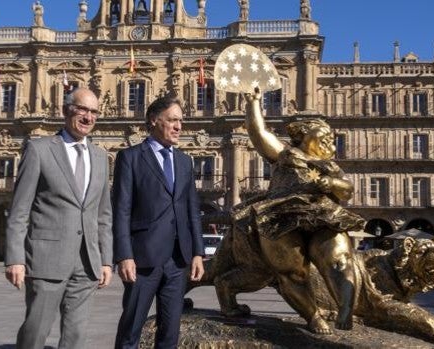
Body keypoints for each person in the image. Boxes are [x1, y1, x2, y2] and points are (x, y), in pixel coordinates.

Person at [226, 88, 364, 333]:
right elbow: (259, 133)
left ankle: (345, 307)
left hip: (323, 216)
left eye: (332, 138)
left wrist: (332, 183)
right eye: (324, 134)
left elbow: (348, 190)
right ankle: (312, 316)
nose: (330, 140)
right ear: (303, 133)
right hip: (282, 216)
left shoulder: (329, 166)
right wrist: (254, 104)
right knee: (292, 270)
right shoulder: (286, 154)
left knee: (340, 259)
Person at [5, 87, 113, 349]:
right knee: (36, 330)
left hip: (87, 261)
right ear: (66, 110)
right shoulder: (39, 149)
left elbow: (103, 214)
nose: (89, 117)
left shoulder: (101, 157)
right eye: (82, 110)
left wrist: (106, 260)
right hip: (46, 258)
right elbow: (20, 210)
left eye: (94, 112)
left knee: (76, 336)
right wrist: (15, 258)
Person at [113, 95, 205, 349]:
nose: (179, 127)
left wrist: (197, 252)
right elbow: (121, 209)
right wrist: (124, 255)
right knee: (131, 329)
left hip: (177, 260)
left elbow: (192, 210)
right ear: (154, 120)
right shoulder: (130, 157)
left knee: (170, 333)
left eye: (181, 121)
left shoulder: (185, 161)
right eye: (173, 120)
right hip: (142, 258)